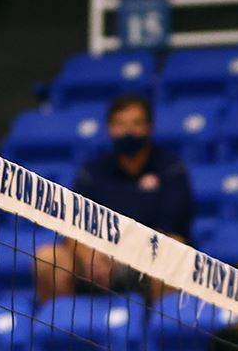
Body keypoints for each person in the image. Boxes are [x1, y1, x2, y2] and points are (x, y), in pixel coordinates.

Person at [34, 94, 195, 302]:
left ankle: (159, 331)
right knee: (48, 257)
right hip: (98, 263)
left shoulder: (171, 169)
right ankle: (59, 332)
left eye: (136, 124)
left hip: (148, 260)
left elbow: (172, 232)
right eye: (120, 124)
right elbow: (72, 228)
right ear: (109, 129)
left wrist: (122, 254)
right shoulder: (92, 172)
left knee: (173, 251)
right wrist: (87, 253)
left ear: (149, 128)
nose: (128, 131)